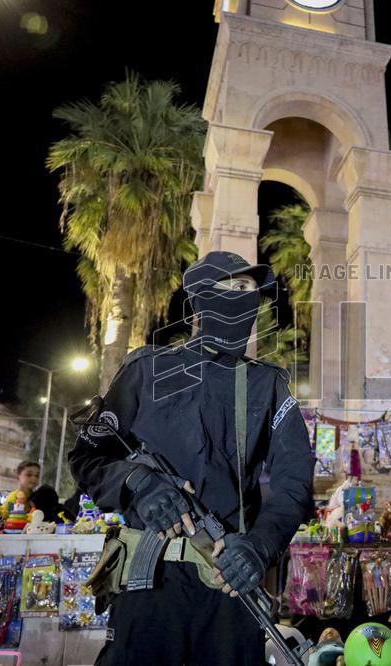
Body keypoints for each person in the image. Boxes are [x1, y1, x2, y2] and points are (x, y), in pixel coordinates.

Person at [70, 251, 314, 665]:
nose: (245, 299)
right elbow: (88, 457)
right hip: (149, 585)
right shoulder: (145, 370)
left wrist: (258, 546)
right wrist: (137, 483)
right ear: (200, 299)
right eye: (233, 287)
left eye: (251, 292)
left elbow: (295, 486)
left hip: (228, 579)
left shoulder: (268, 386)